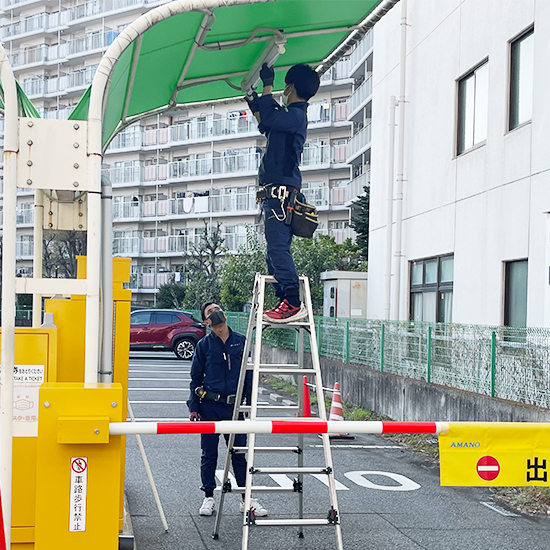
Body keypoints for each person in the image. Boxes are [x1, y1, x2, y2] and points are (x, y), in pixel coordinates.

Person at [246, 63, 320, 323]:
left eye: (285, 86)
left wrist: (267, 86)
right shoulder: (288, 118)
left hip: (280, 197)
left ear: (291, 87)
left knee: (278, 249)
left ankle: (292, 300)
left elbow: (269, 118)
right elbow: (265, 124)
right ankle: (284, 299)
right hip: (275, 196)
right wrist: (254, 101)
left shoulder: (296, 115)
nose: (283, 90)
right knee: (273, 251)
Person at [187, 301, 268, 517]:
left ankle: (246, 499)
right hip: (210, 407)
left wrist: (250, 403)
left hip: (235, 407)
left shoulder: (240, 341)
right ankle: (208, 497)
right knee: (209, 454)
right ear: (206, 321)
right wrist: (193, 407)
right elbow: (195, 378)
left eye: (217, 309)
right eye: (210, 312)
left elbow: (249, 374)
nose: (216, 313)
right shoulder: (204, 345)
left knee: (239, 454)